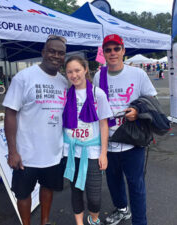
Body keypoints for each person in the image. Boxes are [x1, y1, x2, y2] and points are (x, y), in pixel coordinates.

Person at [3, 35, 68, 225]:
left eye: (60, 53)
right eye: (52, 51)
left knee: (48, 188)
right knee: (23, 193)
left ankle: (45, 222)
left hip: (54, 152)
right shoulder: (24, 77)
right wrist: (12, 151)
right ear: (43, 53)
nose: (56, 56)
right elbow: (10, 114)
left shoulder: (64, 82)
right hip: (26, 154)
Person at [93, 34, 157, 225]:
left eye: (116, 49)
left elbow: (151, 100)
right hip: (108, 141)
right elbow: (96, 103)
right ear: (103, 53)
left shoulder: (138, 74)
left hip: (132, 140)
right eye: (108, 49)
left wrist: (137, 111)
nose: (112, 53)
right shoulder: (99, 75)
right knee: (113, 182)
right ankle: (122, 209)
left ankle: (139, 221)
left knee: (136, 185)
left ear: (123, 51)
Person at [62, 56, 112, 225]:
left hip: (92, 152)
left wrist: (103, 153)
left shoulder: (98, 94)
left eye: (77, 70)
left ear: (85, 70)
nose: (74, 75)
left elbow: (104, 125)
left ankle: (94, 219)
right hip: (71, 152)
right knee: (75, 191)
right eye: (70, 71)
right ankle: (79, 223)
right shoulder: (65, 95)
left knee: (94, 196)